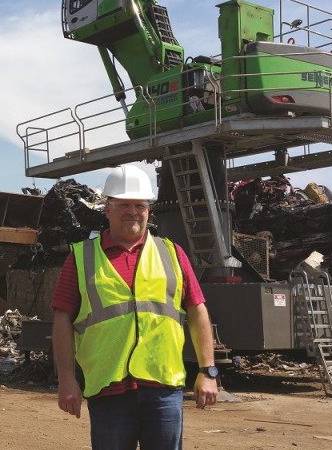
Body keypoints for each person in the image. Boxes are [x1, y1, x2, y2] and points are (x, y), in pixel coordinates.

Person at [51, 164, 218, 450]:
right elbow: (62, 320)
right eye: (123, 204)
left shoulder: (172, 253)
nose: (132, 211)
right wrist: (66, 379)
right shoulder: (81, 257)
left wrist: (208, 371)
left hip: (163, 388)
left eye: (139, 205)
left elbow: (197, 311)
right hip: (109, 389)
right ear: (107, 209)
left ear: (148, 210)